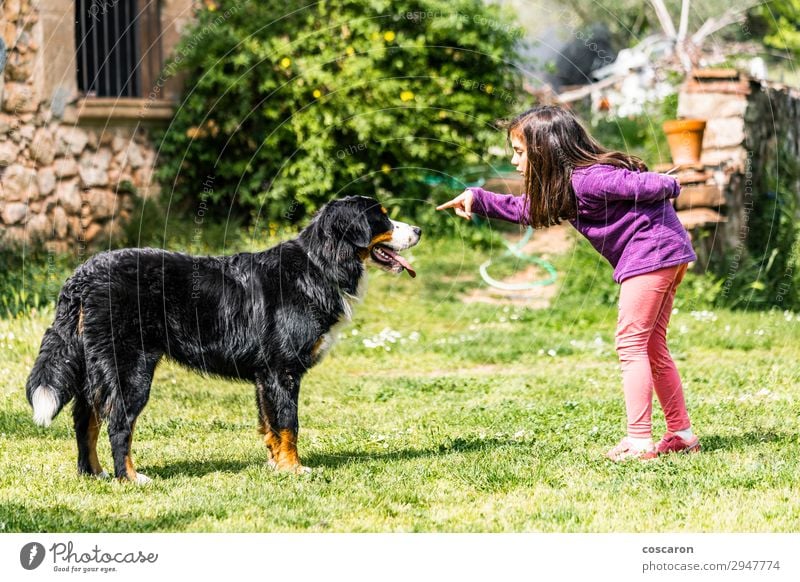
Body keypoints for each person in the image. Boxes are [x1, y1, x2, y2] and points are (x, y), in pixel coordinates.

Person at [437, 105, 700, 461]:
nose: (515, 162)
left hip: (651, 253)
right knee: (651, 345)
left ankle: (639, 442)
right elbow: (527, 210)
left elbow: (651, 184)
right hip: (666, 253)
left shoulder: (589, 178)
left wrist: (668, 182)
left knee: (631, 344)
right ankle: (681, 434)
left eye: (519, 152)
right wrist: (478, 198)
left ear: (545, 149)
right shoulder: (570, 185)